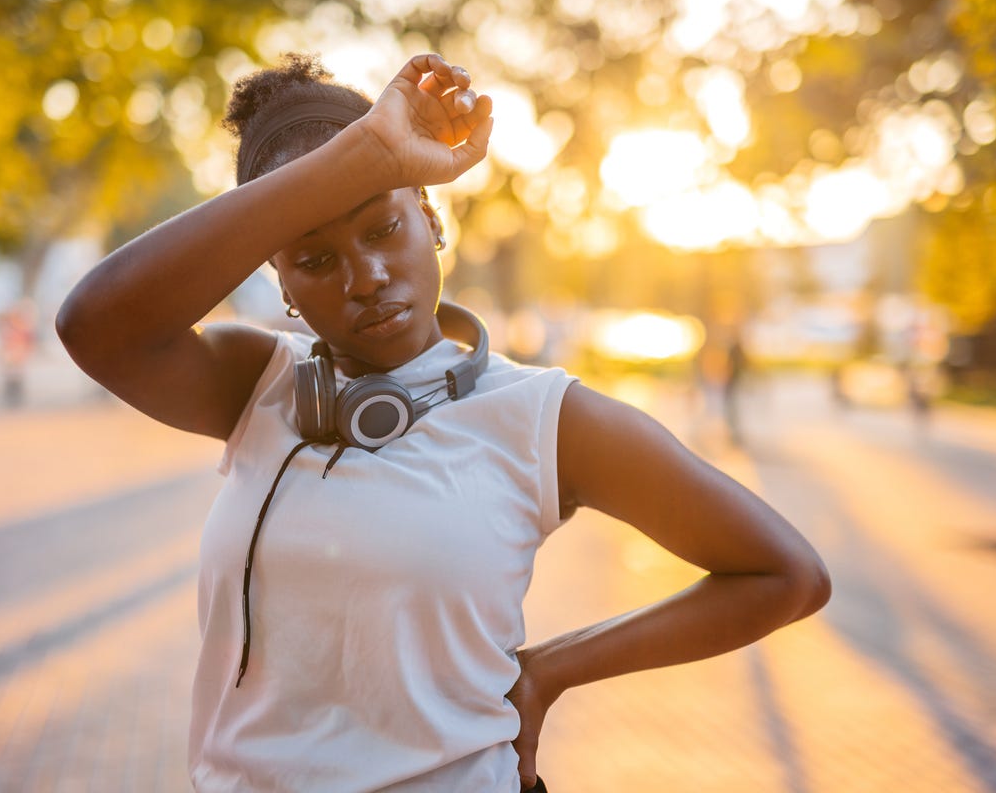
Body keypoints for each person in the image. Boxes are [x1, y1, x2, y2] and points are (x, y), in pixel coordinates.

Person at [56, 53, 830, 793]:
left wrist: (551, 670)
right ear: (281, 283)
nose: (366, 278)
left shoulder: (543, 418)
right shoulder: (252, 385)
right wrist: (360, 158)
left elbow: (785, 576)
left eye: (382, 228)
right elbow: (94, 326)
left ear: (430, 217)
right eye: (315, 260)